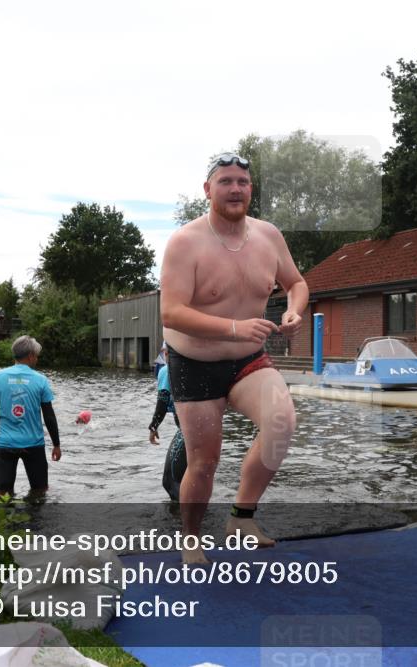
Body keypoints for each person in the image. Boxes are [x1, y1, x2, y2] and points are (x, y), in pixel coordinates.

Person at [160, 152, 308, 563]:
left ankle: (242, 516)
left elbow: (296, 282)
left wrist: (296, 309)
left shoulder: (268, 236)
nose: (235, 189)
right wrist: (232, 327)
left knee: (282, 423)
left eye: (243, 182)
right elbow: (171, 312)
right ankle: (190, 537)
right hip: (194, 364)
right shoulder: (185, 242)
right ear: (208, 190)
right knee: (204, 461)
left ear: (251, 190)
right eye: (225, 181)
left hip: (248, 360)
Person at [0, 335, 61, 498]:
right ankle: (34, 523)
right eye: (36, 356)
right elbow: (49, 416)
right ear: (30, 356)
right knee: (39, 492)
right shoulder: (41, 380)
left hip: (5, 444)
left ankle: (7, 523)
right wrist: (56, 444)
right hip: (33, 444)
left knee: (3, 495)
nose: (36, 359)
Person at [150, 344, 184, 502]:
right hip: (209, 431)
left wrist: (153, 427)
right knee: (192, 478)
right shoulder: (196, 369)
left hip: (188, 431)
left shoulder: (168, 370)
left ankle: (188, 521)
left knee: (170, 482)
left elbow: (163, 400)